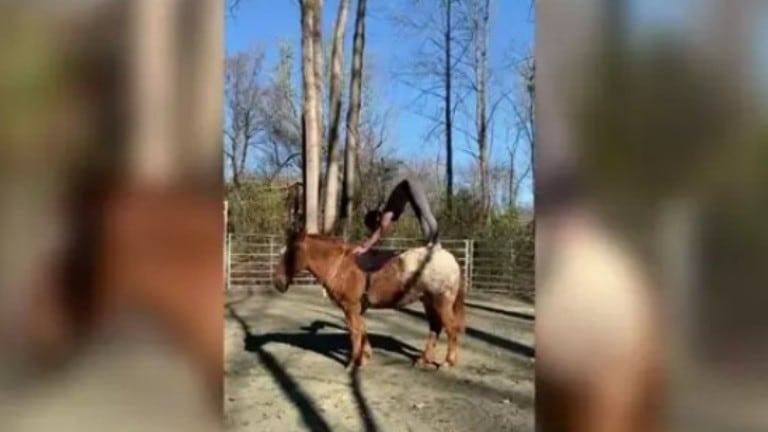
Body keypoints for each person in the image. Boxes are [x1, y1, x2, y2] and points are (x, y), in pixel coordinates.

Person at [352, 178, 439, 255]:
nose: (376, 229)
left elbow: (380, 231)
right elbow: (380, 230)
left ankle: (436, 242)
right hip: (408, 190)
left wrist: (365, 247)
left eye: (375, 227)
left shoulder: (386, 215)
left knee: (426, 213)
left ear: (377, 220)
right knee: (421, 216)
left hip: (410, 184)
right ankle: (430, 242)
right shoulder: (389, 213)